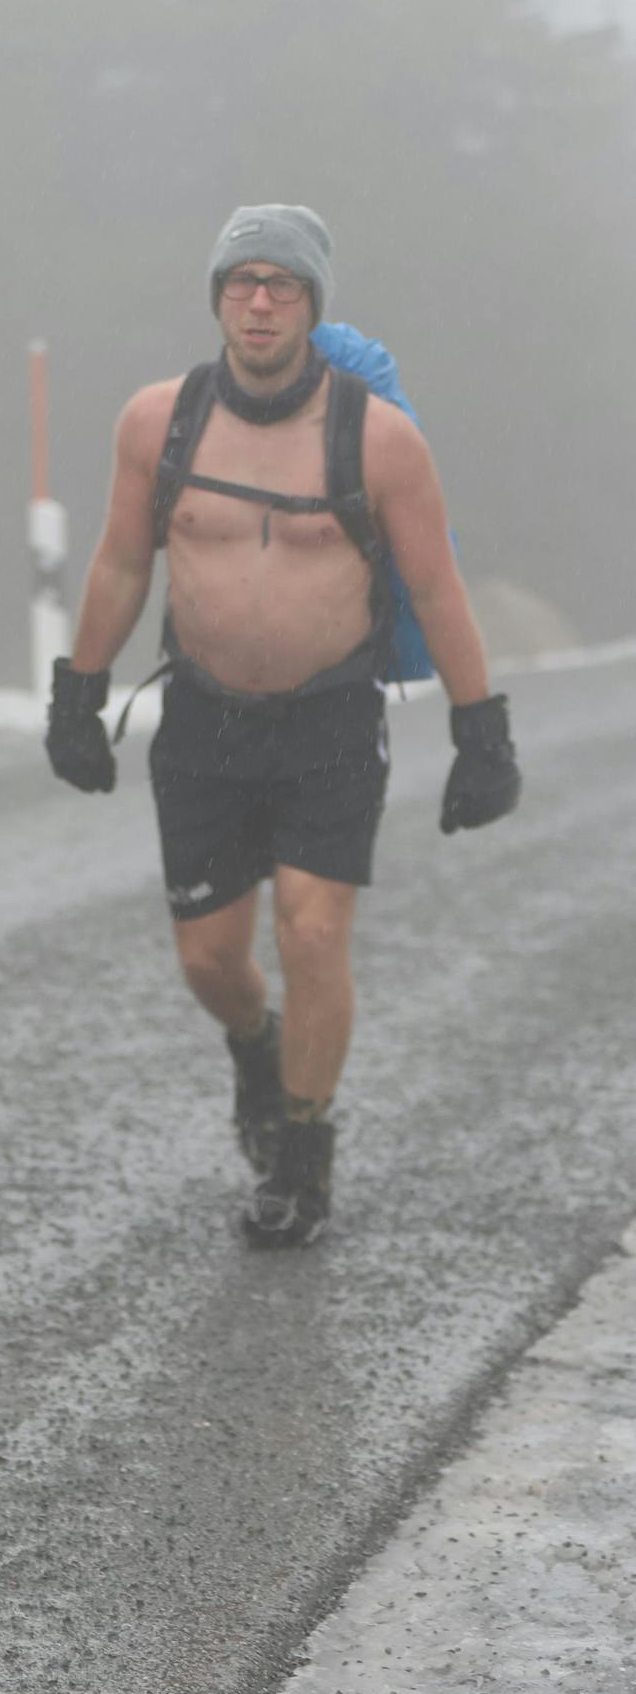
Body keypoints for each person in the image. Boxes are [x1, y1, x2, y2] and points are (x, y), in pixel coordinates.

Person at [46, 205, 521, 1248]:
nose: (258, 301)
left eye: (283, 285)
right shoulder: (156, 422)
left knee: (311, 929)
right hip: (204, 723)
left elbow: (436, 587)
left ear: (311, 304)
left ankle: (300, 1152)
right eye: (240, 281)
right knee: (210, 959)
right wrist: (75, 693)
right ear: (216, 295)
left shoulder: (376, 437)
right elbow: (122, 562)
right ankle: (255, 1048)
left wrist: (481, 730)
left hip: (328, 723)